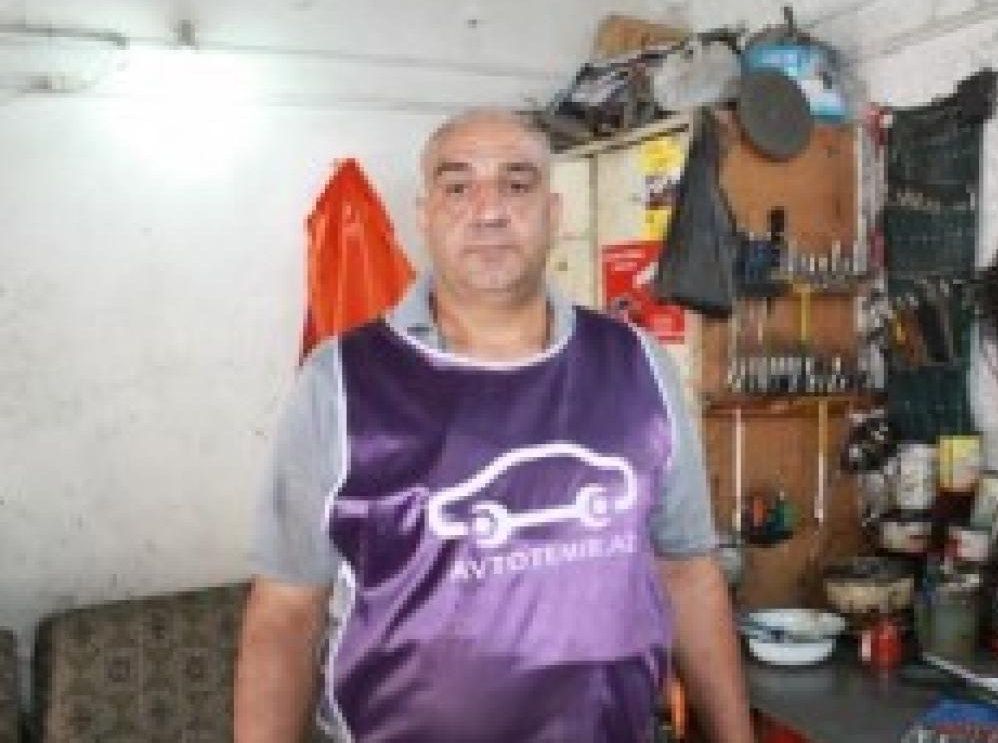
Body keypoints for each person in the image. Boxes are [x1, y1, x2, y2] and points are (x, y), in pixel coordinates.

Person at [234, 109, 754, 742]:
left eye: (516, 183)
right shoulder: (340, 381)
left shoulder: (636, 365)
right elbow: (286, 614)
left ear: (553, 213)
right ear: (425, 215)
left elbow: (688, 574)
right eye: (458, 187)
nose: (489, 211)